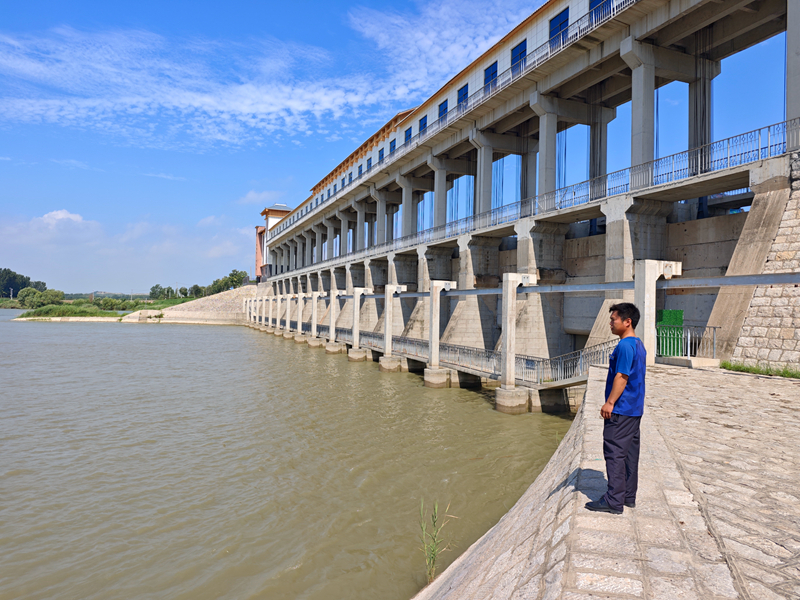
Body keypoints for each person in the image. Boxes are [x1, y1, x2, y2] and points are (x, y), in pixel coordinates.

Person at [585, 302, 646, 515]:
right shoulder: (638, 344)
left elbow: (622, 376)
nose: (610, 323)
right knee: (629, 454)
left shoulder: (625, 346)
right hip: (634, 409)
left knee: (614, 453)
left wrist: (609, 402)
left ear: (627, 322)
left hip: (621, 410)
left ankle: (613, 501)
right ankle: (628, 496)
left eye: (614, 319)